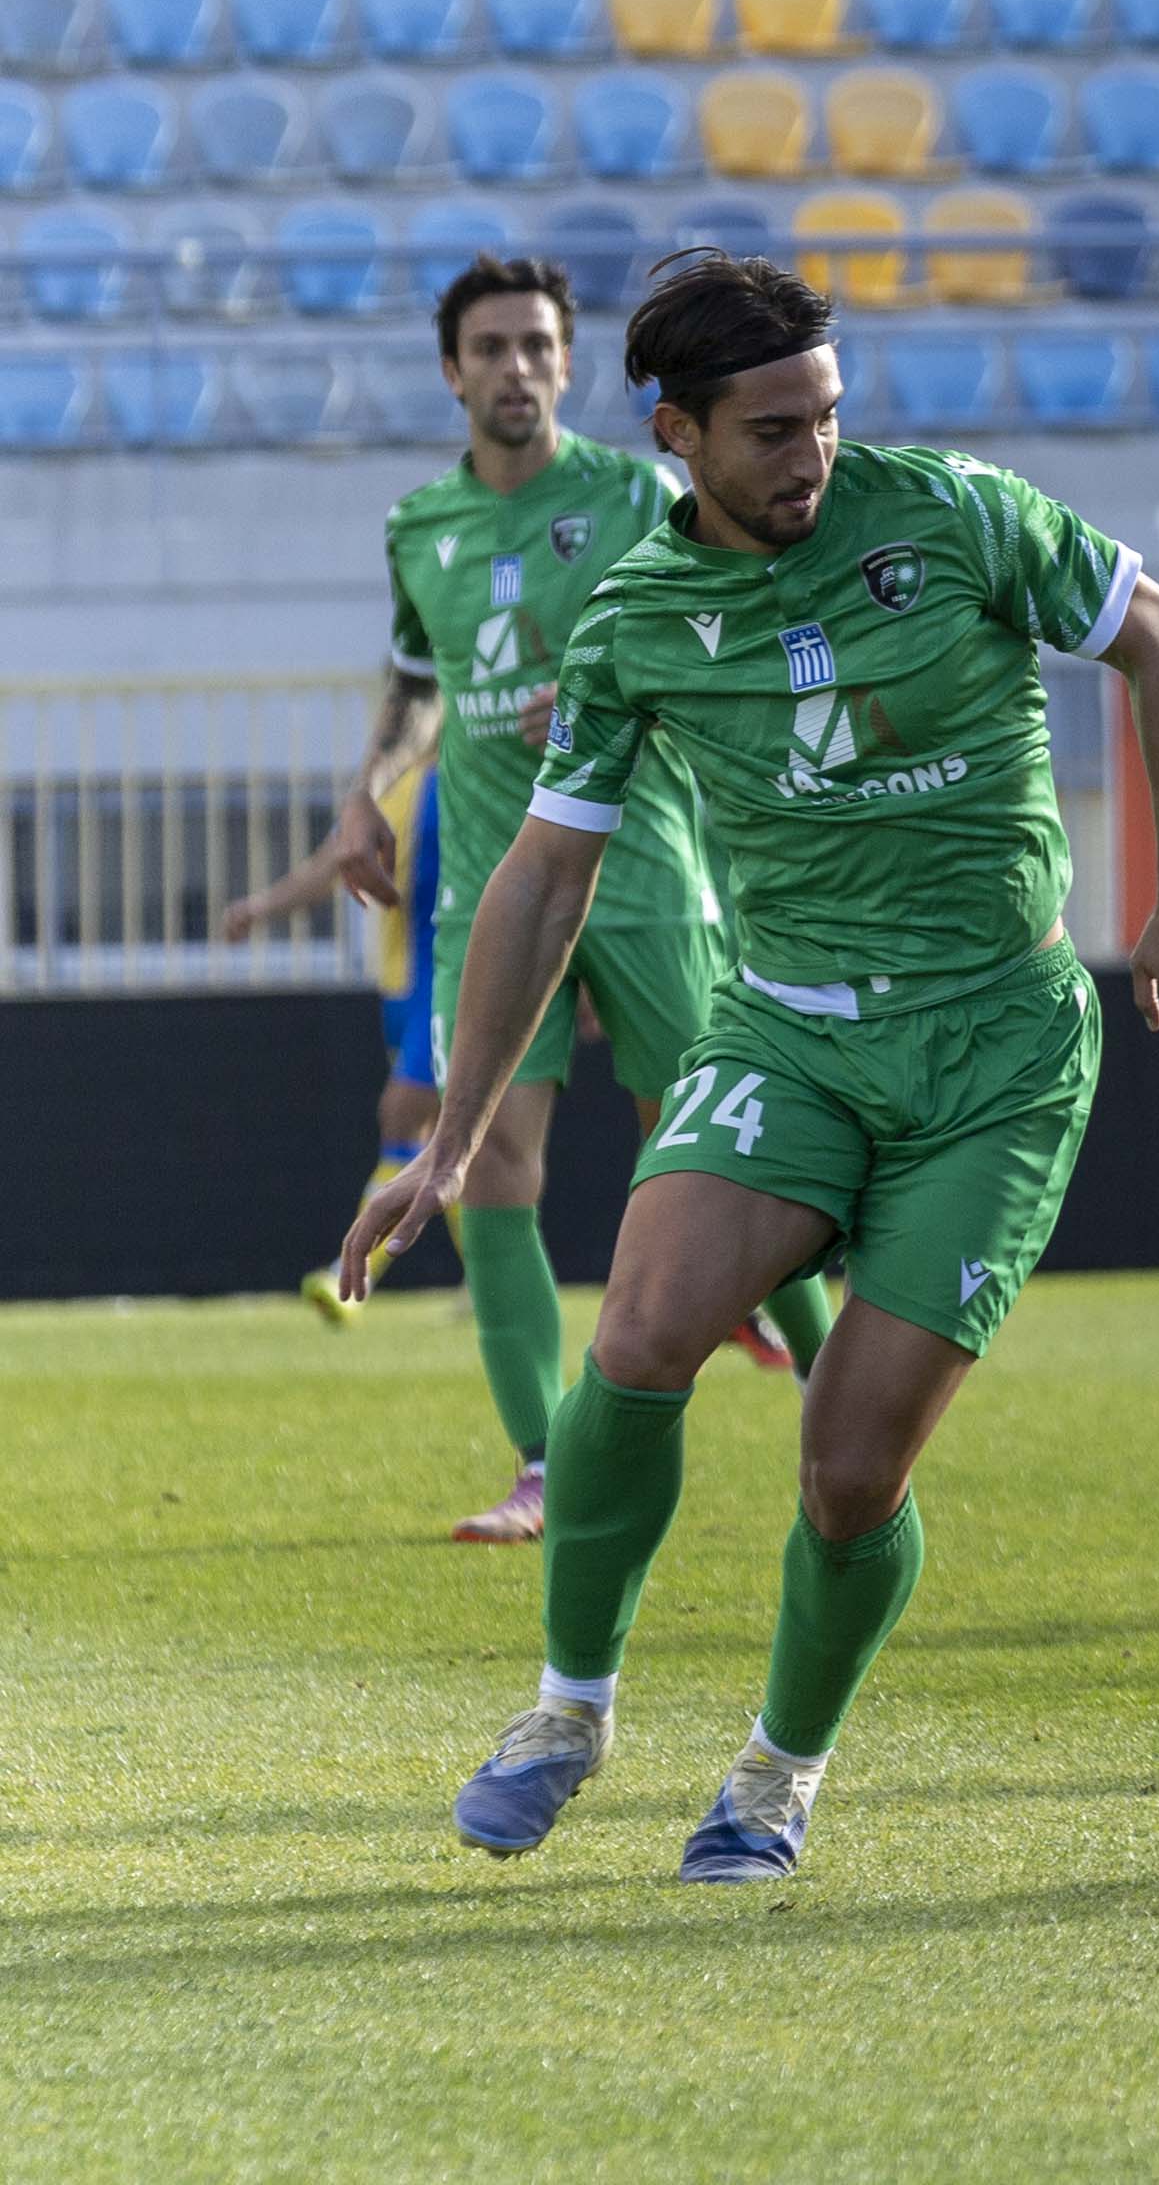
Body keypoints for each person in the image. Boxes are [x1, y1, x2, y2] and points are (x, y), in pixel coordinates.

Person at [345, 250, 1159, 1882]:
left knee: (846, 1472)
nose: (812, 454)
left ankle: (776, 1772)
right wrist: (454, 1136)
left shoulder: (957, 515)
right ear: (678, 434)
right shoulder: (637, 617)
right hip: (788, 1025)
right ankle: (566, 1712)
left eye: (826, 415)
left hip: (994, 1049)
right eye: (771, 430)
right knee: (638, 1334)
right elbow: (543, 876)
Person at [343, 257, 828, 1545]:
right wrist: (367, 791)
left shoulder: (640, 495)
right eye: (491, 347)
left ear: (565, 363)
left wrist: (626, 680)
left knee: (728, 1148)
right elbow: (418, 683)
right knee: (490, 1162)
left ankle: (838, 1391)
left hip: (645, 867)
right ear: (453, 372)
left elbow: (742, 620)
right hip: (490, 883)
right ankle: (545, 1468)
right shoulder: (418, 527)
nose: (517, 366)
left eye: (538, 345)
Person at [230, 766, 444, 1323]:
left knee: (401, 1118)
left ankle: (352, 1277)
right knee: (440, 1140)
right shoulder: (391, 784)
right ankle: (491, 1284)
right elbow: (329, 867)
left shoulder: (472, 774)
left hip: (453, 981)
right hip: (402, 990)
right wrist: (261, 908)